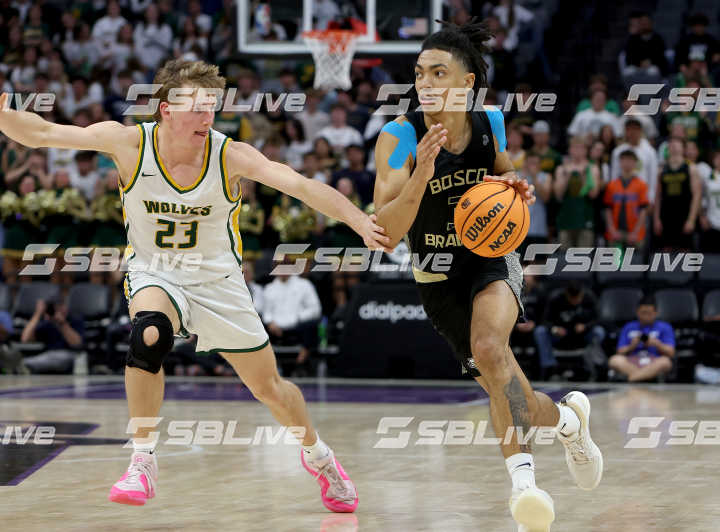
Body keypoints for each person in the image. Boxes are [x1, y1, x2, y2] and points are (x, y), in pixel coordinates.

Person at [0, 59, 391, 511]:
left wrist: (360, 220)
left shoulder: (230, 155)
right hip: (155, 272)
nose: (209, 117)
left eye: (213, 108)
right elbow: (46, 134)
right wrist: (7, 119)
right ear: (165, 109)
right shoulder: (129, 143)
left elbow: (301, 185)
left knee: (271, 390)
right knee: (149, 332)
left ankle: (319, 456)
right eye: (198, 108)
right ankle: (142, 459)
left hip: (218, 281)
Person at [373, 18, 603, 532]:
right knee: (512, 392)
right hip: (436, 277)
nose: (426, 84)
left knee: (491, 349)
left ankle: (525, 489)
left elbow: (502, 170)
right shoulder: (399, 137)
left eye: (438, 73)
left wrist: (514, 186)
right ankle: (568, 421)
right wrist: (418, 181)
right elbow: (383, 231)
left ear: (467, 83)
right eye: (419, 74)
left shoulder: (490, 122)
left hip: (489, 257)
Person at [608, 296, 675, 382]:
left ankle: (631, 378)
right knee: (614, 360)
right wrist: (631, 346)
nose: (646, 316)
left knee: (665, 362)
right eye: (643, 313)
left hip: (653, 362)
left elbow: (671, 353)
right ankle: (646, 377)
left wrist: (657, 344)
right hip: (632, 362)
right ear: (637, 312)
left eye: (649, 313)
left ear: (656, 313)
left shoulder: (665, 327)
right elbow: (619, 352)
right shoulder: (629, 327)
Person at [653, 138, 702, 251]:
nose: (674, 146)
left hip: (684, 215)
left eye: (677, 144)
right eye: (671, 144)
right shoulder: (661, 170)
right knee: (666, 252)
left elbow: (697, 196)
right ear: (667, 149)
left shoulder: (691, 168)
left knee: (685, 252)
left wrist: (691, 219)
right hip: (667, 216)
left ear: (683, 149)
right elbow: (658, 197)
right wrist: (656, 219)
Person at [603, 150, 650, 253]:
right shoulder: (612, 185)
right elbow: (608, 209)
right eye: (624, 160)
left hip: (635, 233)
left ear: (635, 163)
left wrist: (635, 232)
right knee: (616, 264)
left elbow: (643, 210)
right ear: (620, 162)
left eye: (630, 160)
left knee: (635, 264)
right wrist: (612, 230)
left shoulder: (641, 185)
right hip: (616, 232)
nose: (627, 163)